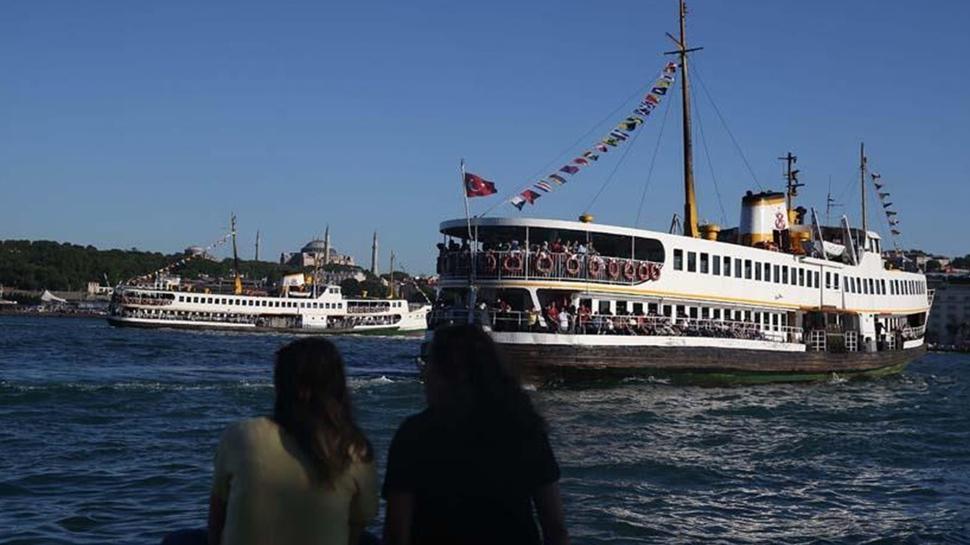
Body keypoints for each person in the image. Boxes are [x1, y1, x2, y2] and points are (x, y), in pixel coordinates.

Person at [166, 338, 378, 545]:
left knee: (179, 539)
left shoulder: (241, 435)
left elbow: (217, 519)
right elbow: (356, 529)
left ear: (281, 384)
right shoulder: (356, 449)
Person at [383, 325, 569, 545]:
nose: (425, 373)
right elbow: (555, 526)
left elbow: (396, 531)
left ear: (444, 374)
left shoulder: (414, 434)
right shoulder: (525, 430)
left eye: (430, 364)